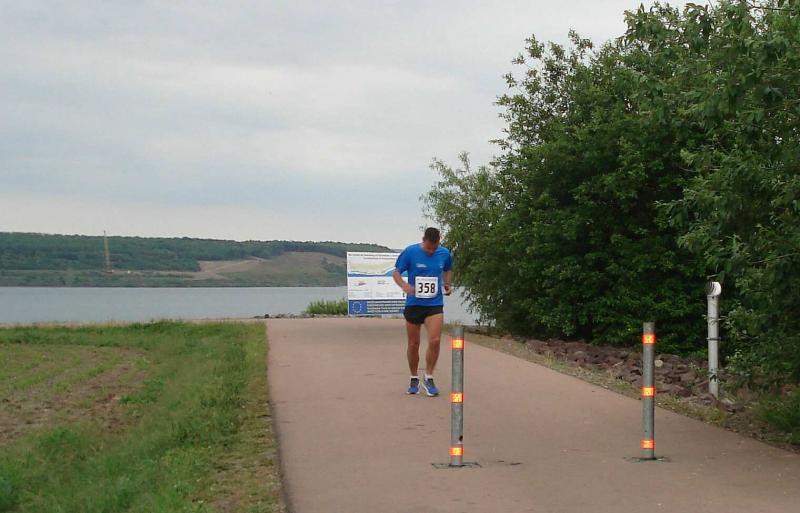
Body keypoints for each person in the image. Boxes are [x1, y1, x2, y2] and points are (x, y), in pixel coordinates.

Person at [392, 227, 453, 396]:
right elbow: (396, 273)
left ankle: (429, 376)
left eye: (434, 248)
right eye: (428, 248)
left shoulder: (444, 253)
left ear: (439, 242)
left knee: (435, 340)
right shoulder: (410, 252)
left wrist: (447, 284)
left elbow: (447, 268)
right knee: (414, 343)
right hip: (414, 304)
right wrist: (404, 286)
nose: (431, 251)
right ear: (423, 240)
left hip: (434, 303)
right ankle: (414, 377)